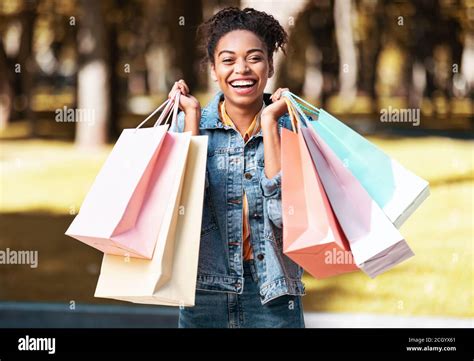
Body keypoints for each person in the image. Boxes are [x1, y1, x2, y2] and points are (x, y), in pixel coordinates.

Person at [169, 7, 305, 328]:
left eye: (254, 58)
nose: (241, 69)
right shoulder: (188, 124)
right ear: (214, 70)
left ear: (270, 66)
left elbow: (287, 219)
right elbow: (183, 211)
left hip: (274, 297)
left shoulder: (294, 126)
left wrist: (270, 123)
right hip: (202, 294)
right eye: (228, 60)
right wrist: (190, 120)